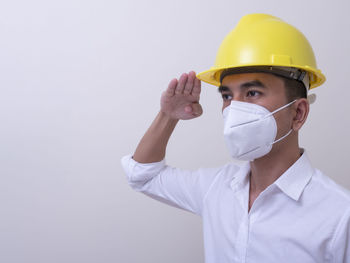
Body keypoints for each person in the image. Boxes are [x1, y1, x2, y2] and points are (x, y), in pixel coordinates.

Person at [121, 13, 350, 262]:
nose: (234, 109)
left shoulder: (339, 215)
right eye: (227, 96)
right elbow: (142, 176)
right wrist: (168, 116)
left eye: (252, 92)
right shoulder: (217, 189)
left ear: (298, 112)